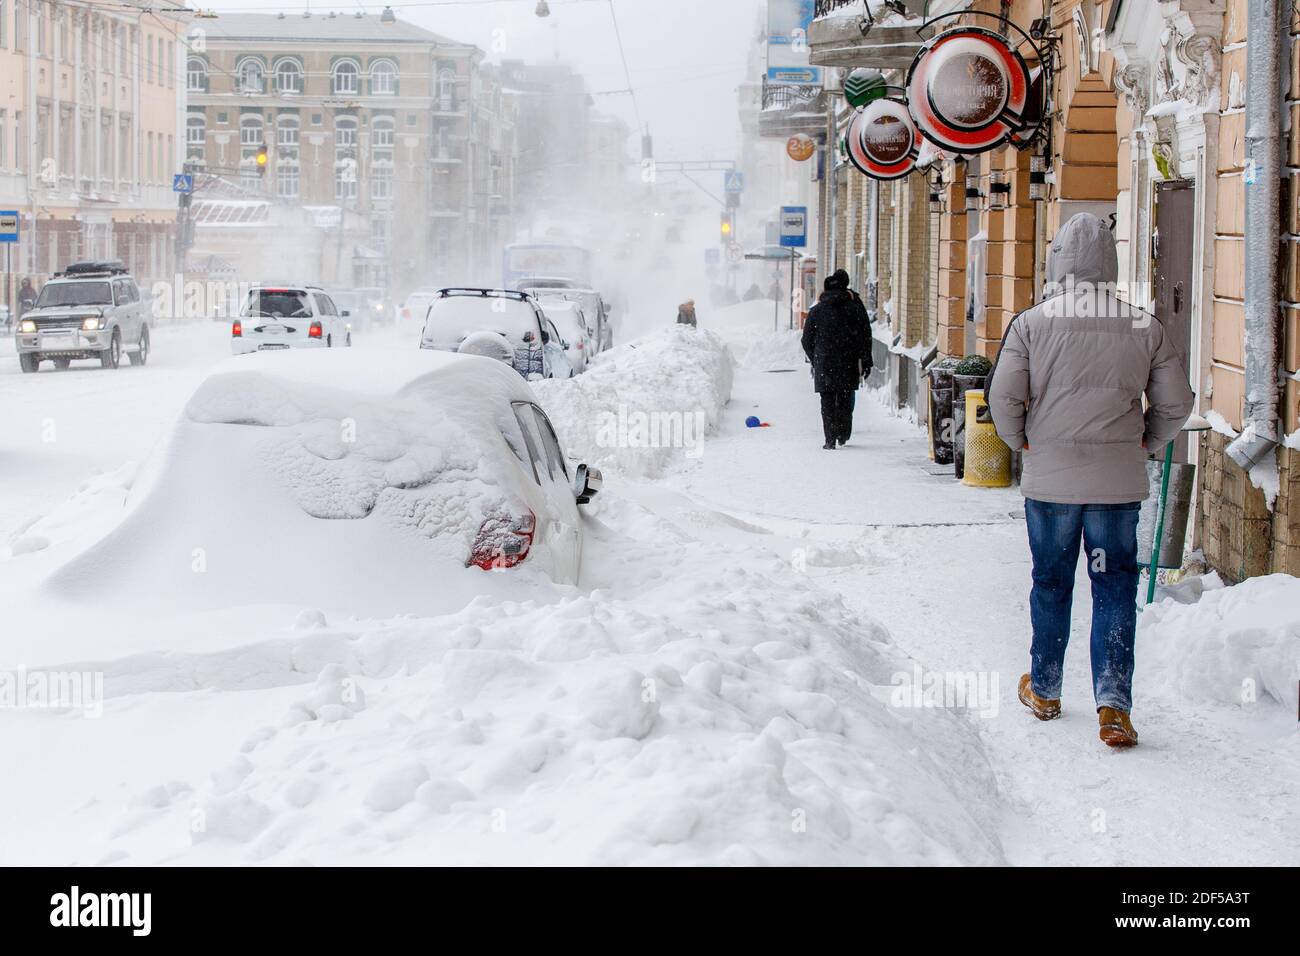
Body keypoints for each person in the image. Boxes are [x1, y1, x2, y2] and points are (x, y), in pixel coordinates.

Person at [987, 212, 1194, 749]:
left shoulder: (1031, 324)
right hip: (1116, 488)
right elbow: (1176, 403)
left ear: (1058, 261)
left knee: (1052, 582)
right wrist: (1146, 440)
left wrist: (1019, 442)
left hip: (1052, 486)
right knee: (1114, 587)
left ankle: (1047, 689)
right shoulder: (1144, 326)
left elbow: (1004, 398)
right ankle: (1114, 707)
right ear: (1111, 263)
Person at [801, 271, 872, 450]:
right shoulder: (854, 308)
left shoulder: (816, 311)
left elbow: (806, 339)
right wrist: (865, 359)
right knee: (845, 398)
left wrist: (815, 357)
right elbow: (865, 335)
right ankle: (843, 434)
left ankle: (829, 439)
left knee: (827, 400)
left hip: (825, 362)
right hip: (848, 360)